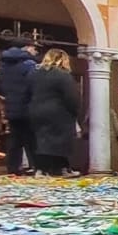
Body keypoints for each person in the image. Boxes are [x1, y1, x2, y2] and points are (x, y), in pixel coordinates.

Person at [26, 49, 83, 177]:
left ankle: (41, 169)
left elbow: (27, 93)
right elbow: (72, 97)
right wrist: (74, 111)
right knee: (59, 142)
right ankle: (60, 168)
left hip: (36, 111)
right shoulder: (63, 75)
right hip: (59, 113)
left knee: (42, 140)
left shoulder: (34, 74)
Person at [0, 44, 37, 174]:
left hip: (11, 108)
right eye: (34, 48)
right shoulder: (29, 65)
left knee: (15, 139)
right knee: (31, 140)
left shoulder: (4, 67)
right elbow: (34, 85)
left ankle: (13, 168)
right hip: (28, 107)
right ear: (27, 48)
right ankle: (35, 166)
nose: (35, 51)